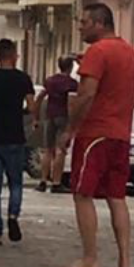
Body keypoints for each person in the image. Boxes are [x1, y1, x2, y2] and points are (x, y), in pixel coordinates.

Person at [57, 3, 134, 267]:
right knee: (117, 197)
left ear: (99, 23)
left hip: (95, 133)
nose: (80, 27)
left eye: (84, 22)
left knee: (83, 194)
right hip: (121, 134)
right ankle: (125, 265)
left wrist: (70, 129)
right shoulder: (128, 51)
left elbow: (87, 94)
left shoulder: (97, 52)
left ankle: (90, 260)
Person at [0, 39, 35, 245]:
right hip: (15, 136)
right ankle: (13, 216)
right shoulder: (23, 79)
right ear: (14, 56)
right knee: (16, 183)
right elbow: (31, 106)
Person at [34, 56, 78, 194]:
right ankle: (56, 182)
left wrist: (36, 117)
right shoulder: (72, 84)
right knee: (61, 150)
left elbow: (40, 97)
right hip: (63, 116)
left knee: (47, 150)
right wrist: (72, 125)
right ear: (70, 67)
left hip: (49, 116)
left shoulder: (50, 81)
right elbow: (71, 104)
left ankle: (42, 181)